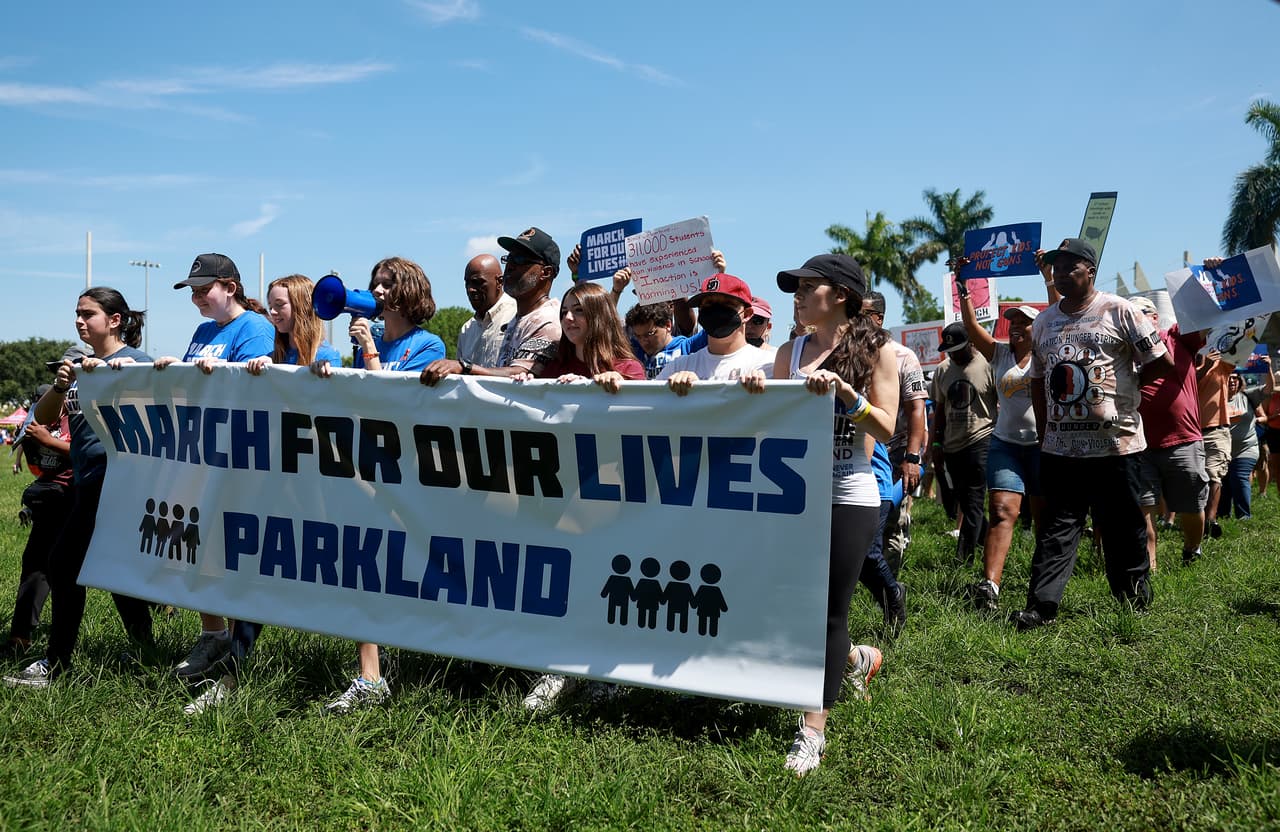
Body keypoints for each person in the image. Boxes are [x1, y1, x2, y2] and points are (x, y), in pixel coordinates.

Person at [183, 274, 342, 714]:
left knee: (338, 577)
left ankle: (368, 671)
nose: (271, 314)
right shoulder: (271, 352)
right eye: (270, 306)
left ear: (304, 307)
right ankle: (234, 673)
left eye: (279, 307)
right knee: (251, 570)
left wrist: (324, 379)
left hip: (315, 487)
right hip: (270, 483)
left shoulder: (326, 353)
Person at [770, 253, 898, 776]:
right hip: (792, 494)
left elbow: (888, 428)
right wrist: (761, 394)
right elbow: (773, 426)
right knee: (789, 605)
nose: (797, 296)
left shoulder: (880, 353)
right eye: (794, 288)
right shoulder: (789, 351)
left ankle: (812, 731)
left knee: (827, 610)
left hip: (849, 491)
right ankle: (857, 659)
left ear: (840, 294)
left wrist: (851, 401)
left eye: (807, 287)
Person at [308, 256, 444, 713]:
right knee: (364, 565)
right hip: (367, 471)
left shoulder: (428, 343)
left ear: (407, 291)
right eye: (374, 285)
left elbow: (393, 401)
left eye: (387, 285)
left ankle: (437, 657)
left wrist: (367, 351)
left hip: (413, 475)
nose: (378, 291)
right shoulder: (371, 338)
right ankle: (371, 675)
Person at [1014, 238, 1172, 631]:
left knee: (1122, 526)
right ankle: (1041, 607)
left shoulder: (1120, 310)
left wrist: (1128, 399)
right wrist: (1045, 425)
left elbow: (1161, 361)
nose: (1061, 273)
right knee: (1056, 530)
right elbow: (1037, 379)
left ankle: (1132, 599)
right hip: (1060, 450)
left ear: (1091, 271)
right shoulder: (1045, 321)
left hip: (1116, 447)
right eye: (1056, 267)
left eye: (1070, 267)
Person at [4, 289, 156, 688]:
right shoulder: (76, 364)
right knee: (116, 570)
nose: (79, 320)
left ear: (115, 319)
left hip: (117, 480)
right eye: (76, 314)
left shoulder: (137, 363)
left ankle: (57, 665)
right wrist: (59, 385)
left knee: (64, 564)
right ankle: (146, 650)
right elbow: (47, 417)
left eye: (88, 314)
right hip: (85, 479)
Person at [518, 281, 646, 711]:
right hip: (557, 491)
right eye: (565, 311)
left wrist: (606, 387)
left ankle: (606, 673)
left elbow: (641, 421)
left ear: (601, 316)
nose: (569, 318)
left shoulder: (627, 368)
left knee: (603, 581)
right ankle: (558, 669)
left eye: (580, 311)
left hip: (610, 493)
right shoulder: (553, 365)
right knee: (564, 580)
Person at [153, 253, 276, 682]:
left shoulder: (255, 328)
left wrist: (217, 371)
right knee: (199, 547)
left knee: (230, 555)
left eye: (204, 290)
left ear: (231, 287)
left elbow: (253, 389)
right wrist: (176, 369)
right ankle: (213, 634)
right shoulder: (205, 329)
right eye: (193, 292)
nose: (197, 299)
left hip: (237, 458)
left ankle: (237, 655)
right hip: (202, 453)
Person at [955, 254, 1058, 610]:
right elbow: (970, 328)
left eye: (1025, 322)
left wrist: (1048, 277)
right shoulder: (998, 354)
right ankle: (990, 587)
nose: (1016, 326)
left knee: (1045, 521)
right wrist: (962, 286)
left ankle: (1043, 584)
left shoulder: (1048, 351)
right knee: (1001, 511)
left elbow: (1058, 313)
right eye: (1012, 321)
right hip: (1005, 446)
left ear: (1038, 328)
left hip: (1044, 447)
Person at [420, 226, 563, 384]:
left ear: (546, 272)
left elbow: (519, 374)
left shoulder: (549, 320)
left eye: (520, 260)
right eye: (509, 258)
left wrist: (464, 367)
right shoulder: (519, 318)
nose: (510, 266)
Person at [1129, 294, 1209, 567]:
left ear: (1154, 318)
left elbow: (1200, 316)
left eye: (1141, 314)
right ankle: (1148, 568)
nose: (1135, 320)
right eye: (1130, 315)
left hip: (1182, 439)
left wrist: (1207, 279)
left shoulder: (1176, 337)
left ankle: (1191, 548)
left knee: (1191, 505)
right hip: (1138, 444)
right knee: (1143, 508)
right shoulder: (1123, 350)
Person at [2, 384, 73, 657]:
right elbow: (37, 461)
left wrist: (49, 441)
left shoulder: (88, 411)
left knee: (114, 567)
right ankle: (20, 639)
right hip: (53, 498)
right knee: (36, 564)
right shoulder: (43, 413)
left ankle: (145, 634)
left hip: (88, 495)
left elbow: (93, 455)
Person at [930, 321, 997, 567]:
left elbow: (1000, 403)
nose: (954, 354)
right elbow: (939, 410)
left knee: (975, 500)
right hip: (951, 445)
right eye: (950, 350)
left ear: (970, 343)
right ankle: (990, 538)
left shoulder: (988, 365)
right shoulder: (942, 370)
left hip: (981, 440)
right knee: (966, 502)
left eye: (958, 348)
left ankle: (963, 560)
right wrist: (935, 445)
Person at [247, 273, 343, 372]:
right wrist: (266, 370)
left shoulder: (327, 357)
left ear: (303, 307)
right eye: (270, 306)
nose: (272, 312)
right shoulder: (273, 358)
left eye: (279, 304)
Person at [457, 254, 517, 367]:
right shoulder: (467, 330)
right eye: (467, 283)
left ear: (500, 282)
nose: (470, 289)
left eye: (478, 282)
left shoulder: (517, 317)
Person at [623, 300, 708, 379]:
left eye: (649, 334)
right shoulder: (635, 351)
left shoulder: (687, 347)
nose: (644, 341)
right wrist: (617, 291)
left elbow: (715, 325)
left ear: (668, 325)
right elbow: (610, 330)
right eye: (638, 336)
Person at [1224, 368, 1268, 520]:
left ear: (1240, 380)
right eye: (1229, 377)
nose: (1232, 381)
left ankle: (1244, 516)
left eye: (1235, 378)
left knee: (1239, 476)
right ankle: (1223, 515)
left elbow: (1269, 388)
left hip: (1247, 447)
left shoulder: (1248, 396)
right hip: (1223, 449)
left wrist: (1267, 368)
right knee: (1224, 482)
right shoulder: (1215, 398)